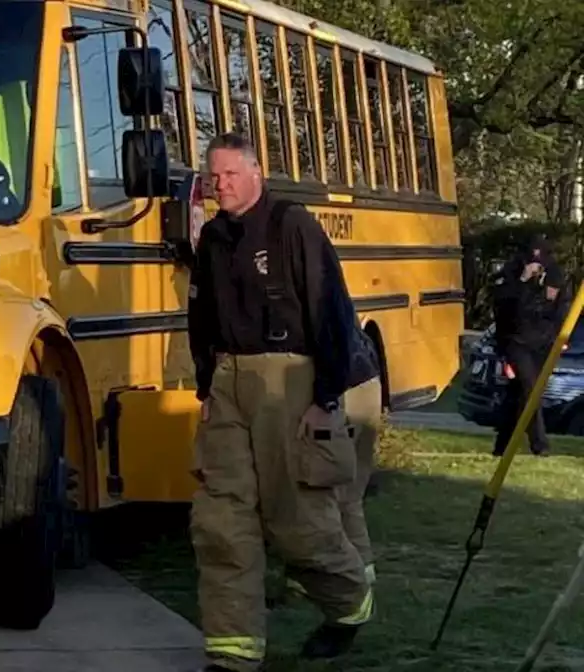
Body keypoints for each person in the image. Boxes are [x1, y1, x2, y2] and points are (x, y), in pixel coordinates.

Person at [187, 132, 372, 672]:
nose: (220, 184)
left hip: (289, 380)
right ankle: (233, 653)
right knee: (220, 521)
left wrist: (326, 396)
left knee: (299, 522)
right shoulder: (214, 239)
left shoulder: (292, 226)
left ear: (256, 173)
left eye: (229, 174)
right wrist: (206, 389)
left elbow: (331, 309)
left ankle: (348, 606)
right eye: (212, 176)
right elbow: (200, 319)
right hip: (227, 383)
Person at [278, 325, 384, 605]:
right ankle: (363, 572)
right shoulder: (335, 306)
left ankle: (336, 581)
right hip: (368, 385)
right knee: (351, 494)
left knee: (326, 495)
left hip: (343, 397)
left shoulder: (300, 316)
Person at [491, 233, 564, 457]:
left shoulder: (555, 273)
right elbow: (503, 305)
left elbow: (560, 307)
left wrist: (560, 337)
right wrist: (523, 281)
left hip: (543, 342)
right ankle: (540, 444)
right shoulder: (511, 274)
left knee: (520, 394)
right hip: (516, 340)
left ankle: (502, 445)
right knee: (530, 389)